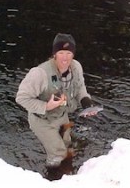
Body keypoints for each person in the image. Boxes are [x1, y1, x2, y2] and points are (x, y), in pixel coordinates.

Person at [16, 33, 97, 168]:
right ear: (54, 54)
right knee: (58, 154)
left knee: (69, 147)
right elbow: (21, 98)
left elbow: (80, 87)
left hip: (61, 115)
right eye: (61, 53)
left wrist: (86, 102)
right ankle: (52, 177)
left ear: (73, 54)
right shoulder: (39, 73)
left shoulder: (76, 67)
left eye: (68, 53)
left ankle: (69, 171)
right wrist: (46, 106)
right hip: (42, 120)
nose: (65, 57)